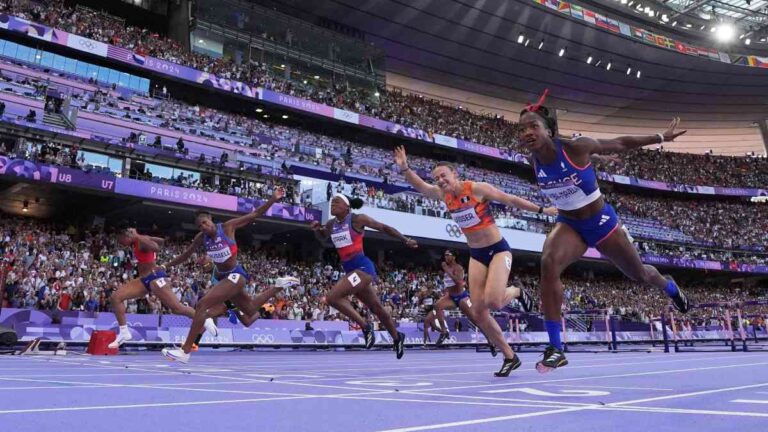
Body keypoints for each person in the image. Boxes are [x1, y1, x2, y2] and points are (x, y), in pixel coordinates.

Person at [518, 91, 690, 372]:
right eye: (522, 129)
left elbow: (620, 143)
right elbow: (571, 172)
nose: (527, 132)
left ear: (548, 130)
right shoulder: (534, 161)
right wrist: (598, 162)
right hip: (569, 224)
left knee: (640, 275)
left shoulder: (575, 147)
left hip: (601, 223)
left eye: (533, 126)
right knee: (548, 263)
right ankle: (556, 348)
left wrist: (660, 137)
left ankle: (669, 286)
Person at [394, 147, 549, 376]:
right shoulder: (442, 194)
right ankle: (509, 356)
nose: (440, 180)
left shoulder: (476, 189)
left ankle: (516, 291)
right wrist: (405, 168)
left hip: (498, 250)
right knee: (478, 312)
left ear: (455, 174)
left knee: (494, 302)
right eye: (436, 178)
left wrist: (543, 209)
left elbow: (510, 199)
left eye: (443, 175)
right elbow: (421, 187)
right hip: (476, 255)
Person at [159, 188, 298, 363]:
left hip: (236, 275)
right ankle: (278, 285)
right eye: (199, 226)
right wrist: (165, 265)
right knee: (250, 311)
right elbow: (185, 255)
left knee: (202, 305)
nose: (203, 227)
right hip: (226, 279)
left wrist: (273, 199)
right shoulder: (201, 238)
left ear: (211, 219)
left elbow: (255, 214)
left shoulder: (228, 227)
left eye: (204, 222)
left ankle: (185, 350)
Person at [310, 194, 417, 359]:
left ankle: (365, 326)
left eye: (337, 202)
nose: (333, 204)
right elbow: (323, 237)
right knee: (377, 309)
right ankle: (397, 337)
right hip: (351, 271)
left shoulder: (357, 219)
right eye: (332, 202)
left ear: (347, 207)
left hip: (363, 269)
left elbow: (384, 227)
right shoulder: (331, 224)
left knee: (331, 298)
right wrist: (317, 230)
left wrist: (405, 239)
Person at [108, 225, 218, 349]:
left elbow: (157, 247)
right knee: (115, 297)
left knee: (177, 308)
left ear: (127, 236)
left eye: (120, 239)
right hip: (144, 280)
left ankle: (205, 319)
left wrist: (139, 236)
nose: (120, 243)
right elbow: (162, 241)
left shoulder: (140, 240)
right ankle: (124, 332)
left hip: (155, 278)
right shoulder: (139, 240)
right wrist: (146, 237)